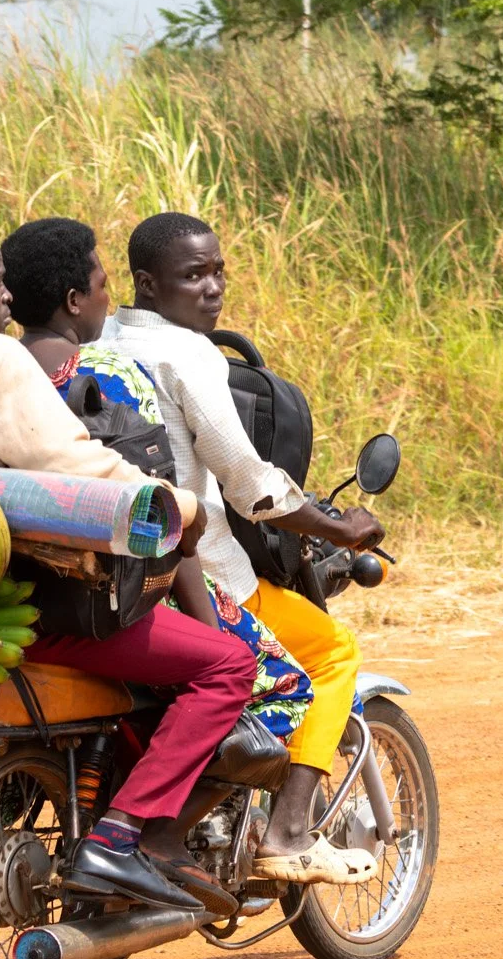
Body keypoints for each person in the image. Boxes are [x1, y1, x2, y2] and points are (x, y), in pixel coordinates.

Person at [0, 225, 256, 914]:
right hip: (22, 612)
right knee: (227, 665)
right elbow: (71, 463)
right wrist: (177, 506)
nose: (8, 298)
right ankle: (122, 838)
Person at [99, 211, 385, 885]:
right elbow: (249, 482)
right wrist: (339, 527)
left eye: (219, 272)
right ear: (147, 282)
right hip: (201, 574)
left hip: (111, 570)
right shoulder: (190, 355)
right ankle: (288, 832)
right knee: (331, 653)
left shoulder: (100, 338)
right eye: (194, 275)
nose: (213, 288)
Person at [0, 217, 321, 737]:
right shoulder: (114, 375)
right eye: (103, 286)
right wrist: (210, 634)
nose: (109, 300)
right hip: (123, 589)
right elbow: (163, 510)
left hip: (22, 588)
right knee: (285, 686)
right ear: (74, 301)